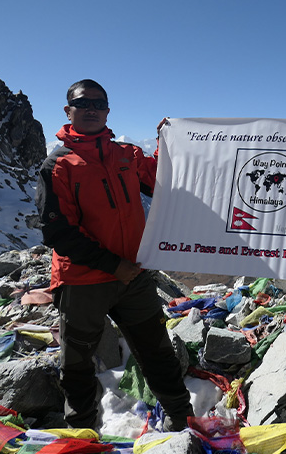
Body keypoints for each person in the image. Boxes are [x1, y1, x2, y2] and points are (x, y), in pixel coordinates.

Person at [35, 79, 193, 432]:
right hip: (82, 281)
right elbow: (58, 233)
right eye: (83, 103)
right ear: (68, 110)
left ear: (107, 110)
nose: (91, 108)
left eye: (99, 103)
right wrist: (114, 265)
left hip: (132, 277)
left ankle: (183, 421)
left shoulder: (126, 155)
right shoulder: (58, 165)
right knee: (76, 364)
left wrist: (171, 144)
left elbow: (160, 182)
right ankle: (84, 437)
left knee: (157, 352)